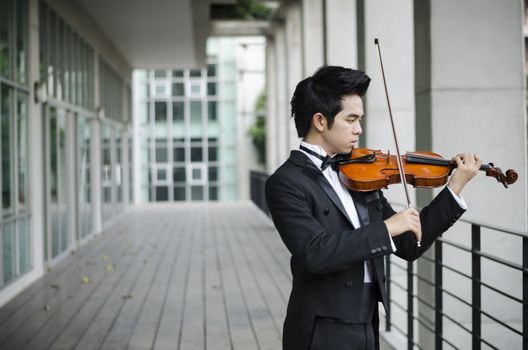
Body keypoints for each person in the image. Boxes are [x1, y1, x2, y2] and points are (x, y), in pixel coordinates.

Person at [264, 66, 481, 350]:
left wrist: (454, 188)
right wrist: (387, 228)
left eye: (360, 119)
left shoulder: (359, 173)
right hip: (321, 329)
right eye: (351, 119)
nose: (359, 129)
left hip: (367, 321)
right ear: (319, 120)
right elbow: (315, 253)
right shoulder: (286, 182)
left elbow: (408, 244)